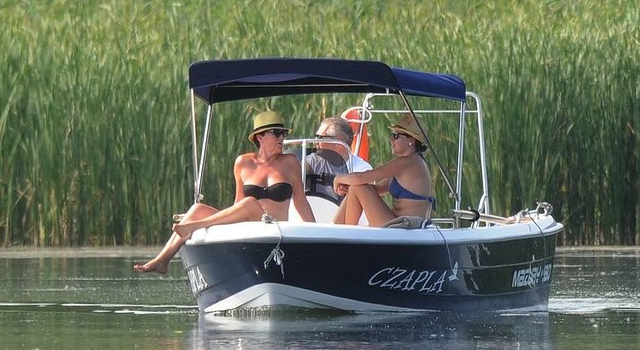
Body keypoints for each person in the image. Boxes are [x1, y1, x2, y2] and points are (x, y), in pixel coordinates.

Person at [134, 110, 315, 274]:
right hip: (246, 224)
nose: (282, 137)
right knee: (197, 209)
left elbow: (301, 201)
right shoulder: (242, 162)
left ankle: (193, 226)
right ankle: (163, 259)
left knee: (250, 202)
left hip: (272, 227)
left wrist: (315, 232)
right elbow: (238, 203)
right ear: (260, 137)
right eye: (277, 133)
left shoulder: (290, 162)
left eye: (283, 133)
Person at [332, 113, 436, 227]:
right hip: (401, 224)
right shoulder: (414, 162)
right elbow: (376, 189)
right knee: (356, 187)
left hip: (403, 227)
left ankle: (346, 235)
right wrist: (349, 188)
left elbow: (360, 178)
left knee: (359, 186)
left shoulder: (407, 162)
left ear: (411, 140)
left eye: (396, 136)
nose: (391, 139)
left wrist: (338, 178)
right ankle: (337, 227)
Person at [305, 116, 372, 202]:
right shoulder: (312, 161)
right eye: (316, 136)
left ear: (339, 142)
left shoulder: (362, 170)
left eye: (321, 137)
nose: (315, 141)